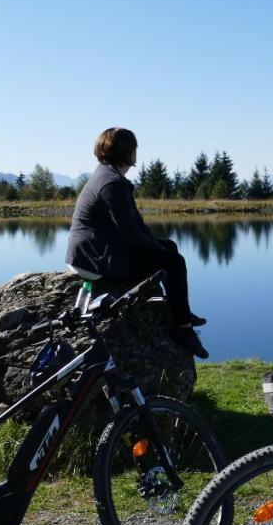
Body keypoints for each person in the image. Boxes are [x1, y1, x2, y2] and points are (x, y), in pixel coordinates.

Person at [66, 127, 208, 358]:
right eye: (135, 148)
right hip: (95, 261)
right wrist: (158, 251)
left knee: (169, 248)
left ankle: (180, 311)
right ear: (127, 152)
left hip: (94, 251)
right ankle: (182, 327)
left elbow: (135, 226)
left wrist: (159, 247)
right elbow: (129, 233)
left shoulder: (107, 176)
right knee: (174, 262)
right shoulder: (112, 184)